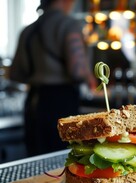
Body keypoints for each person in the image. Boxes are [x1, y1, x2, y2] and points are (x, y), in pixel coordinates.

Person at [9, 0, 97, 156]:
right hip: (60, 101)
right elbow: (77, 71)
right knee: (60, 157)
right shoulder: (69, 25)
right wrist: (89, 76)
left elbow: (15, 74)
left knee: (34, 157)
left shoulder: (28, 30)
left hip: (33, 101)